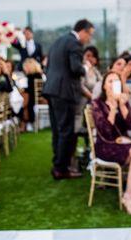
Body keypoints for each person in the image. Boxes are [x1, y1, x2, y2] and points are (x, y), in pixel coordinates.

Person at [91, 71, 131, 215]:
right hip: (106, 146)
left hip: (121, 143)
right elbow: (106, 133)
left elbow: (129, 127)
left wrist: (123, 107)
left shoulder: (122, 100)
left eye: (116, 81)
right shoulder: (97, 104)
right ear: (104, 86)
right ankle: (128, 196)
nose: (113, 84)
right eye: (110, 81)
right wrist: (112, 110)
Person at [42, 19, 94, 180]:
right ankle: (61, 168)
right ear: (83, 31)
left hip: (51, 90)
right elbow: (75, 68)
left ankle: (58, 164)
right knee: (66, 131)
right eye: (89, 35)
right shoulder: (75, 44)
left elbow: (48, 66)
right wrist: (86, 67)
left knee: (58, 130)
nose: (89, 39)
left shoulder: (59, 41)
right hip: (64, 92)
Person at [22, 58, 43, 131]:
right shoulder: (39, 75)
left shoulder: (31, 77)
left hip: (33, 98)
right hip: (40, 97)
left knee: (25, 101)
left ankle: (27, 121)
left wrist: (23, 90)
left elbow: (30, 90)